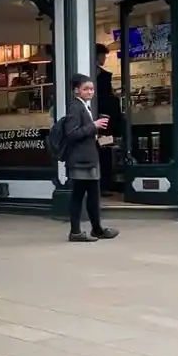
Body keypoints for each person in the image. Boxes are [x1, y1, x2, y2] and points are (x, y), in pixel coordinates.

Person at [63, 73, 120, 243]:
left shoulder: (85, 106)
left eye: (92, 89)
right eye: (86, 89)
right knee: (79, 195)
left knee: (93, 195)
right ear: (76, 91)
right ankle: (76, 231)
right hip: (81, 160)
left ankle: (96, 228)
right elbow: (71, 133)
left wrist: (98, 134)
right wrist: (93, 126)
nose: (90, 92)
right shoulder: (75, 107)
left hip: (89, 158)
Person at [95, 43, 122, 192]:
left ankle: (102, 183)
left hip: (98, 118)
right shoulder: (104, 76)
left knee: (100, 149)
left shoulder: (93, 76)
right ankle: (105, 183)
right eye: (103, 56)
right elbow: (108, 96)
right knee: (104, 148)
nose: (104, 58)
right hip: (105, 119)